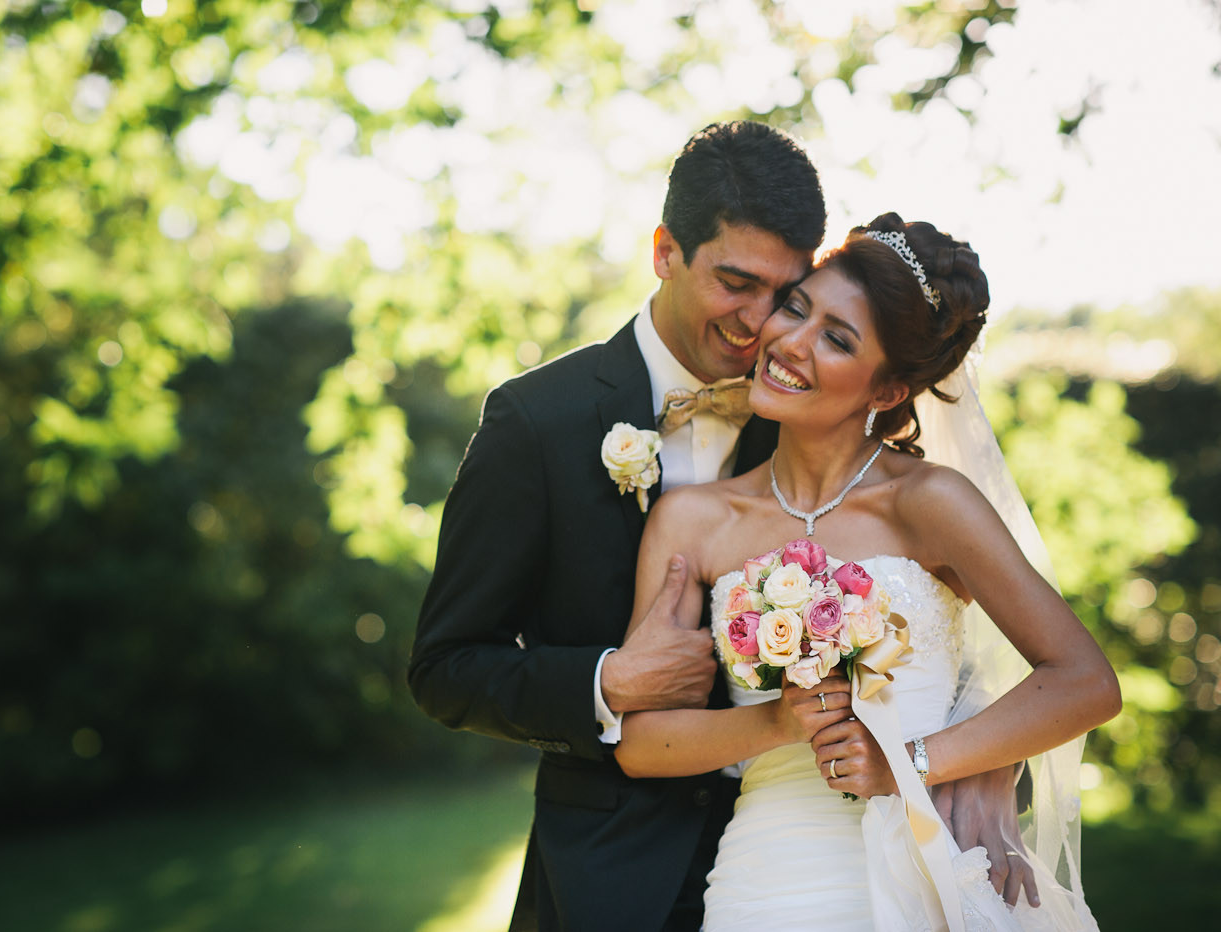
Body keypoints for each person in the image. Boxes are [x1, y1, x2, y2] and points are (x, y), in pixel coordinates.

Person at [613, 213, 1121, 929]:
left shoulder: (930, 504)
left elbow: (1085, 683)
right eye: (797, 308)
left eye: (837, 338)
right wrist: (775, 724)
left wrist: (911, 761)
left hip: (916, 872)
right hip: (763, 882)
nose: (791, 341)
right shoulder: (695, 521)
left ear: (884, 393)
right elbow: (639, 744)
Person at [408, 121, 826, 931]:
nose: (760, 322)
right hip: (609, 878)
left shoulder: (814, 415)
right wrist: (608, 682)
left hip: (795, 857)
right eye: (735, 282)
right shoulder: (536, 423)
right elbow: (446, 667)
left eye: (786, 293)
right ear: (665, 250)